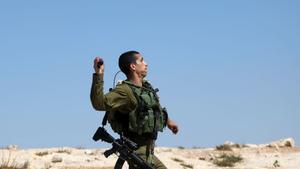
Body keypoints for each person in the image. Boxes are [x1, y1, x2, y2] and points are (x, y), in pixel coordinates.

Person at [90, 51, 179, 169]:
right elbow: (99, 103)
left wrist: (168, 122)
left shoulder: (145, 87)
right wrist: (99, 74)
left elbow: (152, 108)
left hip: (149, 151)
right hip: (137, 151)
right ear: (133, 66)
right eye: (141, 60)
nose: (146, 63)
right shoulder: (125, 91)